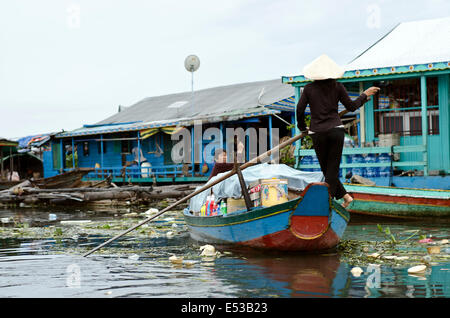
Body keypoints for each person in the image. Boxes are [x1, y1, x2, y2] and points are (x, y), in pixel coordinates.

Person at [296, 54, 380, 208]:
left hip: (318, 132)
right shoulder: (337, 86)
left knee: (328, 170)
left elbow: (299, 110)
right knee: (331, 170)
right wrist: (364, 95)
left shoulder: (308, 89)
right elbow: (352, 107)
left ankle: (326, 202)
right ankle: (346, 197)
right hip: (335, 131)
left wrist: (303, 129)